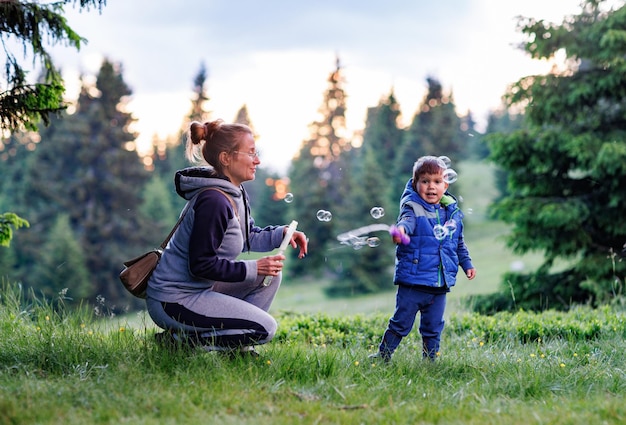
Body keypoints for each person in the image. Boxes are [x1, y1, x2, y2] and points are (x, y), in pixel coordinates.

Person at [146, 119, 308, 355]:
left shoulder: (232, 193)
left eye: (257, 153)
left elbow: (247, 237)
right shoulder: (214, 201)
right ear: (226, 158)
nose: (257, 160)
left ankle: (237, 348)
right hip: (174, 300)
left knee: (270, 277)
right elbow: (200, 265)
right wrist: (255, 268)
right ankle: (180, 342)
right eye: (251, 153)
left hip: (198, 289)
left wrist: (281, 234)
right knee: (264, 328)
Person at [371, 155, 476, 362]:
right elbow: (406, 224)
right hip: (413, 282)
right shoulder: (412, 208)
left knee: (433, 327)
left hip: (439, 285)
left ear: (445, 185)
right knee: (401, 323)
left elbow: (458, 244)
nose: (431, 187)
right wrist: (400, 232)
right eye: (425, 181)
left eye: (437, 182)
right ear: (415, 184)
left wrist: (467, 264)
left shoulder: (452, 215)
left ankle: (430, 362)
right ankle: (382, 356)